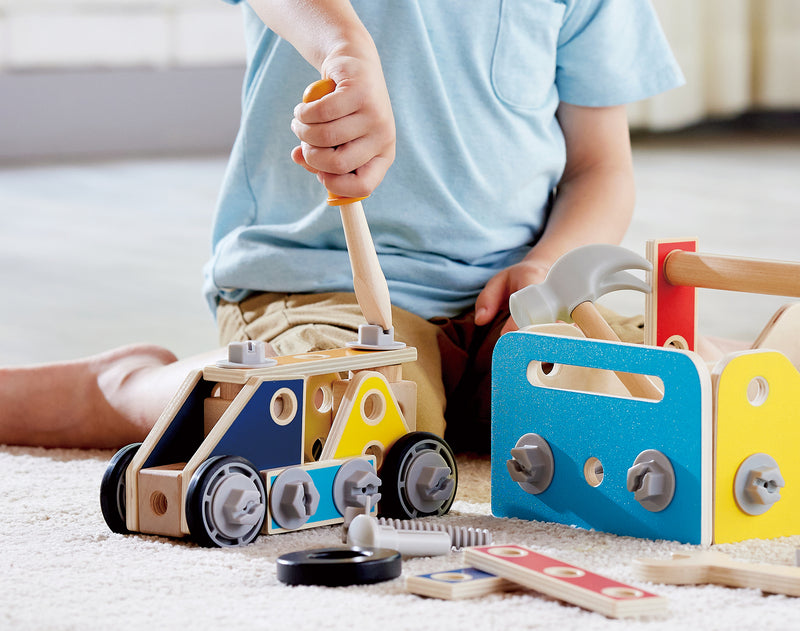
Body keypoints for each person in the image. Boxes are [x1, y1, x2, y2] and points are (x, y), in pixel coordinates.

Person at [0, 0, 684, 451]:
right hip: (322, 286)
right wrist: (344, 46)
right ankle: (124, 388)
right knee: (337, 425)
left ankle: (471, 399)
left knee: (659, 403)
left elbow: (602, 168)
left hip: (514, 305)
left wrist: (548, 265)